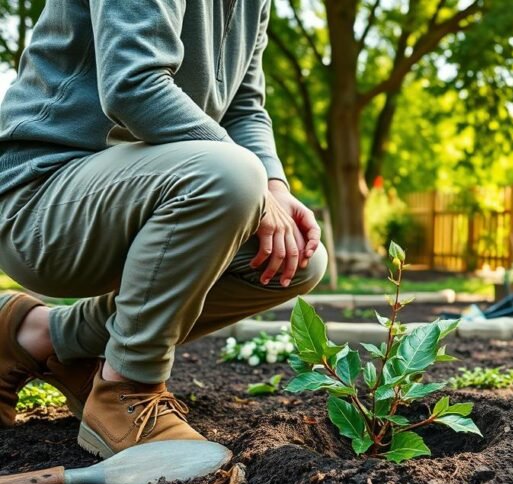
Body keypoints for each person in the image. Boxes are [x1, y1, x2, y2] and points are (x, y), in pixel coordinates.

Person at [0, 0, 328, 458]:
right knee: (232, 175)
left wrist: (274, 185)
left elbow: (244, 108)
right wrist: (250, 184)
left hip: (146, 188)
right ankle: (125, 391)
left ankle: (39, 337)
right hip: (42, 196)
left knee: (296, 258)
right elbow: (134, 83)